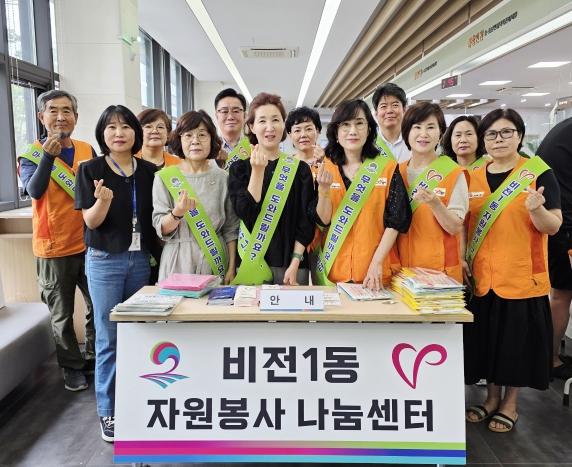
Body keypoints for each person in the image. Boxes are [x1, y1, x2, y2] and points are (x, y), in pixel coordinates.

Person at [464, 108, 562, 433]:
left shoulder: (538, 173)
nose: (499, 139)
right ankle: (491, 398)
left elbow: (553, 226)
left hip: (522, 276)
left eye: (507, 132)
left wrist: (537, 210)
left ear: (519, 136)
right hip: (483, 277)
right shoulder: (474, 174)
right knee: (490, 343)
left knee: (515, 347)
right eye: (492, 134)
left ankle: (511, 404)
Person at [75, 105, 157, 442]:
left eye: (125, 126)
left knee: (138, 333)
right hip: (105, 260)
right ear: (102, 134)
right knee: (108, 337)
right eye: (111, 127)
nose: (119, 133)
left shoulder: (149, 171)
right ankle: (108, 410)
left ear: (135, 132)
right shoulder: (90, 169)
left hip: (140, 260)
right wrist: (103, 201)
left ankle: (136, 400)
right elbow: (91, 221)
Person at [17, 89, 96, 392]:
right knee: (61, 315)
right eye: (53, 110)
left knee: (97, 305)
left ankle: (93, 356)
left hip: (90, 243)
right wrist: (48, 158)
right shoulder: (30, 155)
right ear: (41, 117)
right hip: (53, 247)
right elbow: (34, 191)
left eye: (67, 111)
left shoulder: (87, 149)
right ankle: (71, 367)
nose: (60, 116)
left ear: (76, 117)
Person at [314, 99, 411, 289]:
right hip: (334, 271)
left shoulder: (387, 168)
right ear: (336, 132)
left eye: (359, 123)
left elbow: (397, 220)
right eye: (346, 125)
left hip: (376, 273)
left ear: (369, 129)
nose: (353, 131)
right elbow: (322, 221)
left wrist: (376, 263)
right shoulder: (324, 168)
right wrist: (324, 191)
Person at [228, 92, 317, 285]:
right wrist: (257, 171)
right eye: (262, 121)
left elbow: (306, 221)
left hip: (292, 266)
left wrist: (296, 262)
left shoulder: (300, 169)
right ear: (252, 126)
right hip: (252, 263)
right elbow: (245, 213)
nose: (270, 127)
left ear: (283, 125)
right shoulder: (239, 169)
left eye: (276, 120)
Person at [152, 110, 239, 283]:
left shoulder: (223, 178)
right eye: (188, 135)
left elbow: (231, 228)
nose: (195, 141)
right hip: (177, 259)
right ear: (179, 140)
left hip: (214, 258)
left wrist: (231, 268)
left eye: (202, 135)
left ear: (212, 139)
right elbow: (161, 228)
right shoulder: (164, 177)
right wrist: (177, 213)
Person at [396, 102, 467, 282]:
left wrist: (436, 204)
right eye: (417, 127)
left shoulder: (453, 172)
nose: (424, 134)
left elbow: (455, 227)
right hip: (401, 271)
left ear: (440, 133)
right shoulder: (396, 172)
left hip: (440, 273)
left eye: (430, 127)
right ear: (406, 132)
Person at [537, 117, 572, 380]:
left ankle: (548, 356)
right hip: (565, 226)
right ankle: (550, 360)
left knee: (559, 293)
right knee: (561, 294)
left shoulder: (564, 128)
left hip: (559, 221)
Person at [372, 83, 411, 163]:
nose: (389, 111)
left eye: (395, 105)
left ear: (404, 110)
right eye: (383, 106)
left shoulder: (415, 140)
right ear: (376, 113)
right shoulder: (369, 143)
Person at [214, 88, 248, 168]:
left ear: (245, 115)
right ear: (216, 116)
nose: (230, 117)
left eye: (236, 111)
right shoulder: (210, 148)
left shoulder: (254, 145)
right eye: (224, 111)